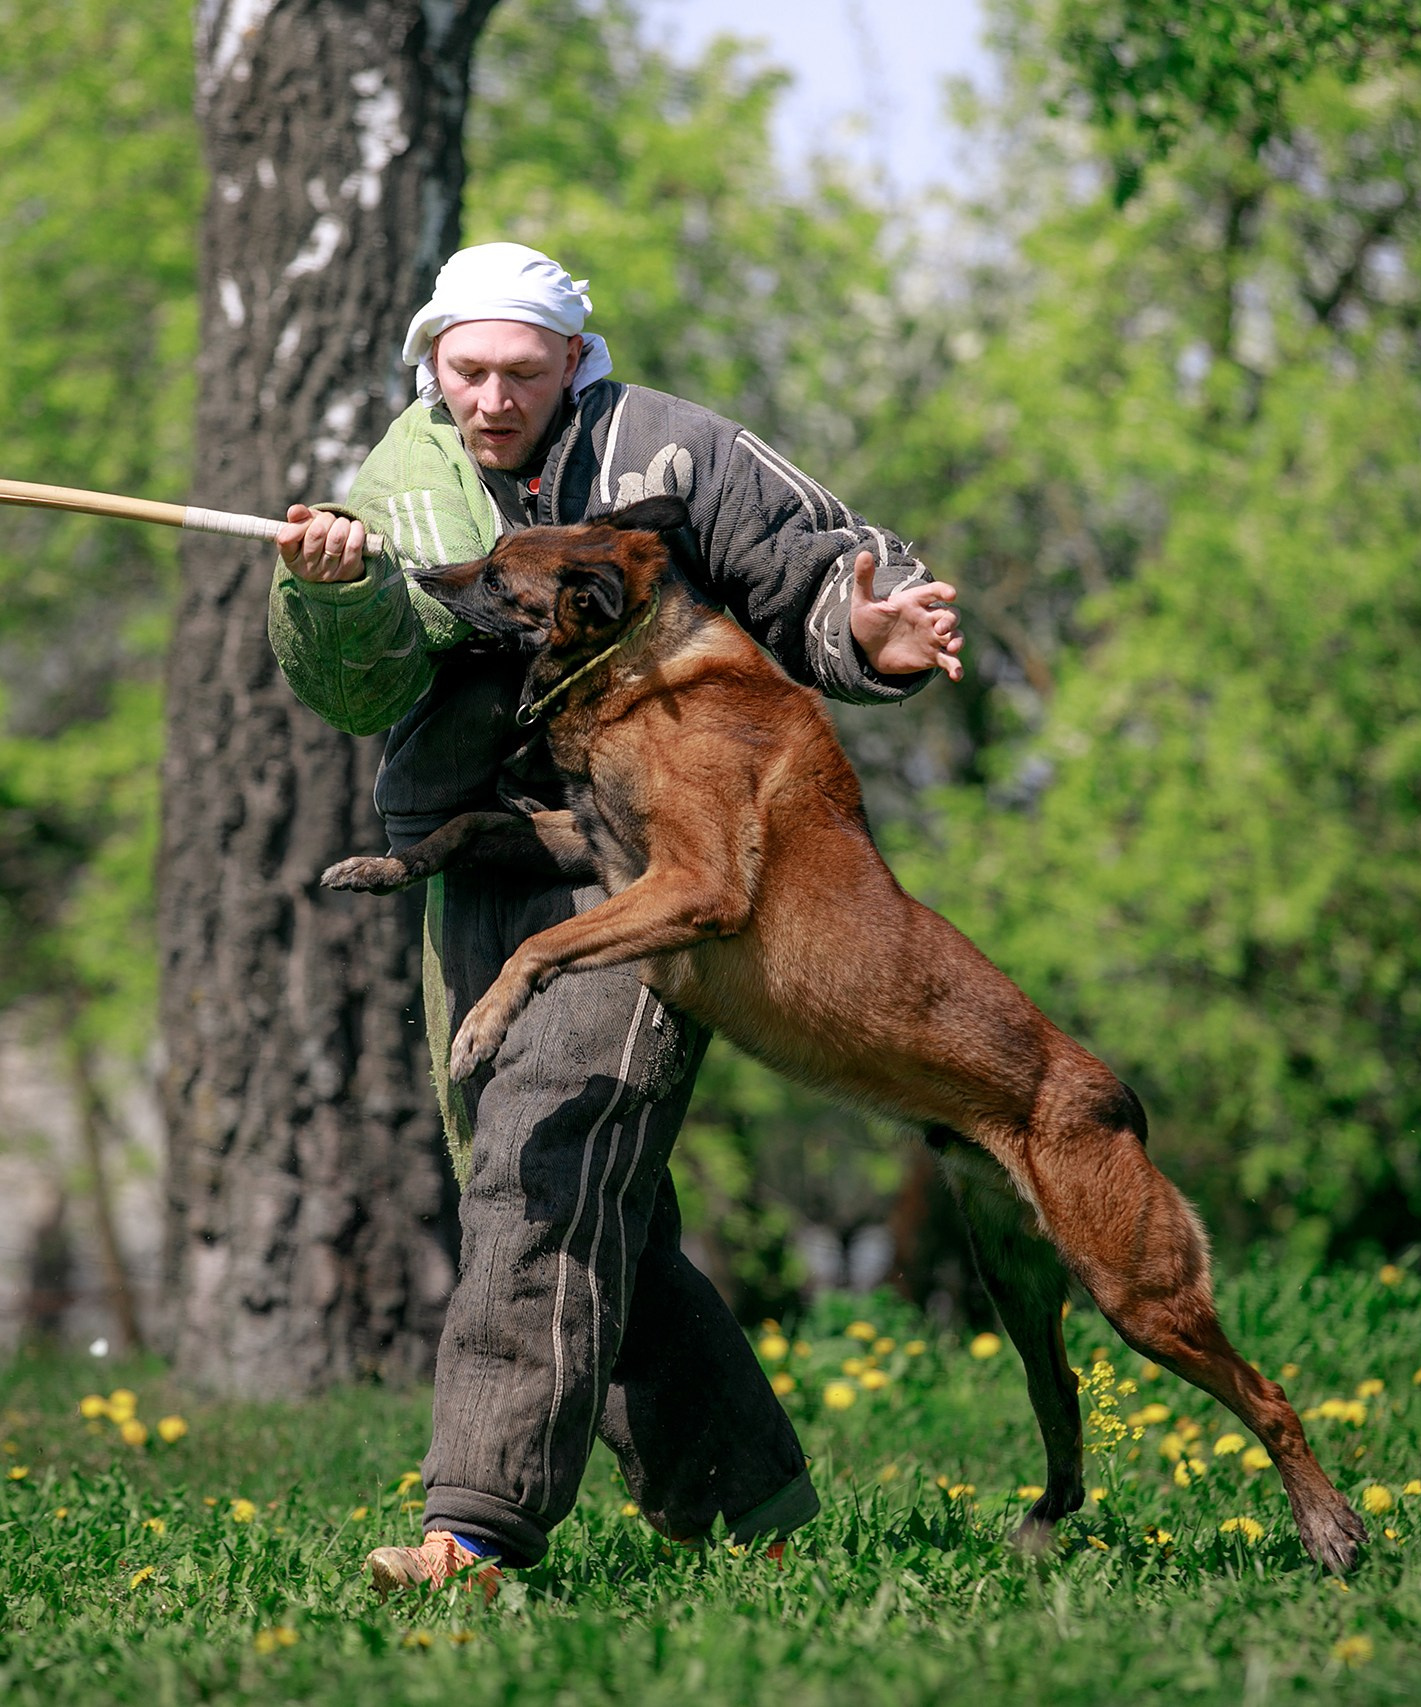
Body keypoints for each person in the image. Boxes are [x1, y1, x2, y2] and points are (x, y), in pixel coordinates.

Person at [266, 241, 963, 1597]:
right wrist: (337, 591)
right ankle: (751, 1511)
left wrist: (867, 630)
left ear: (571, 362)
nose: (489, 397)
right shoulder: (396, 491)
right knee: (595, 1211)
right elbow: (363, 691)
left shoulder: (672, 453)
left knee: (548, 1154)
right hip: (487, 858)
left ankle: (474, 1531)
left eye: (520, 371)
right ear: (431, 364)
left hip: (654, 872)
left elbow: (811, 564)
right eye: (465, 371)